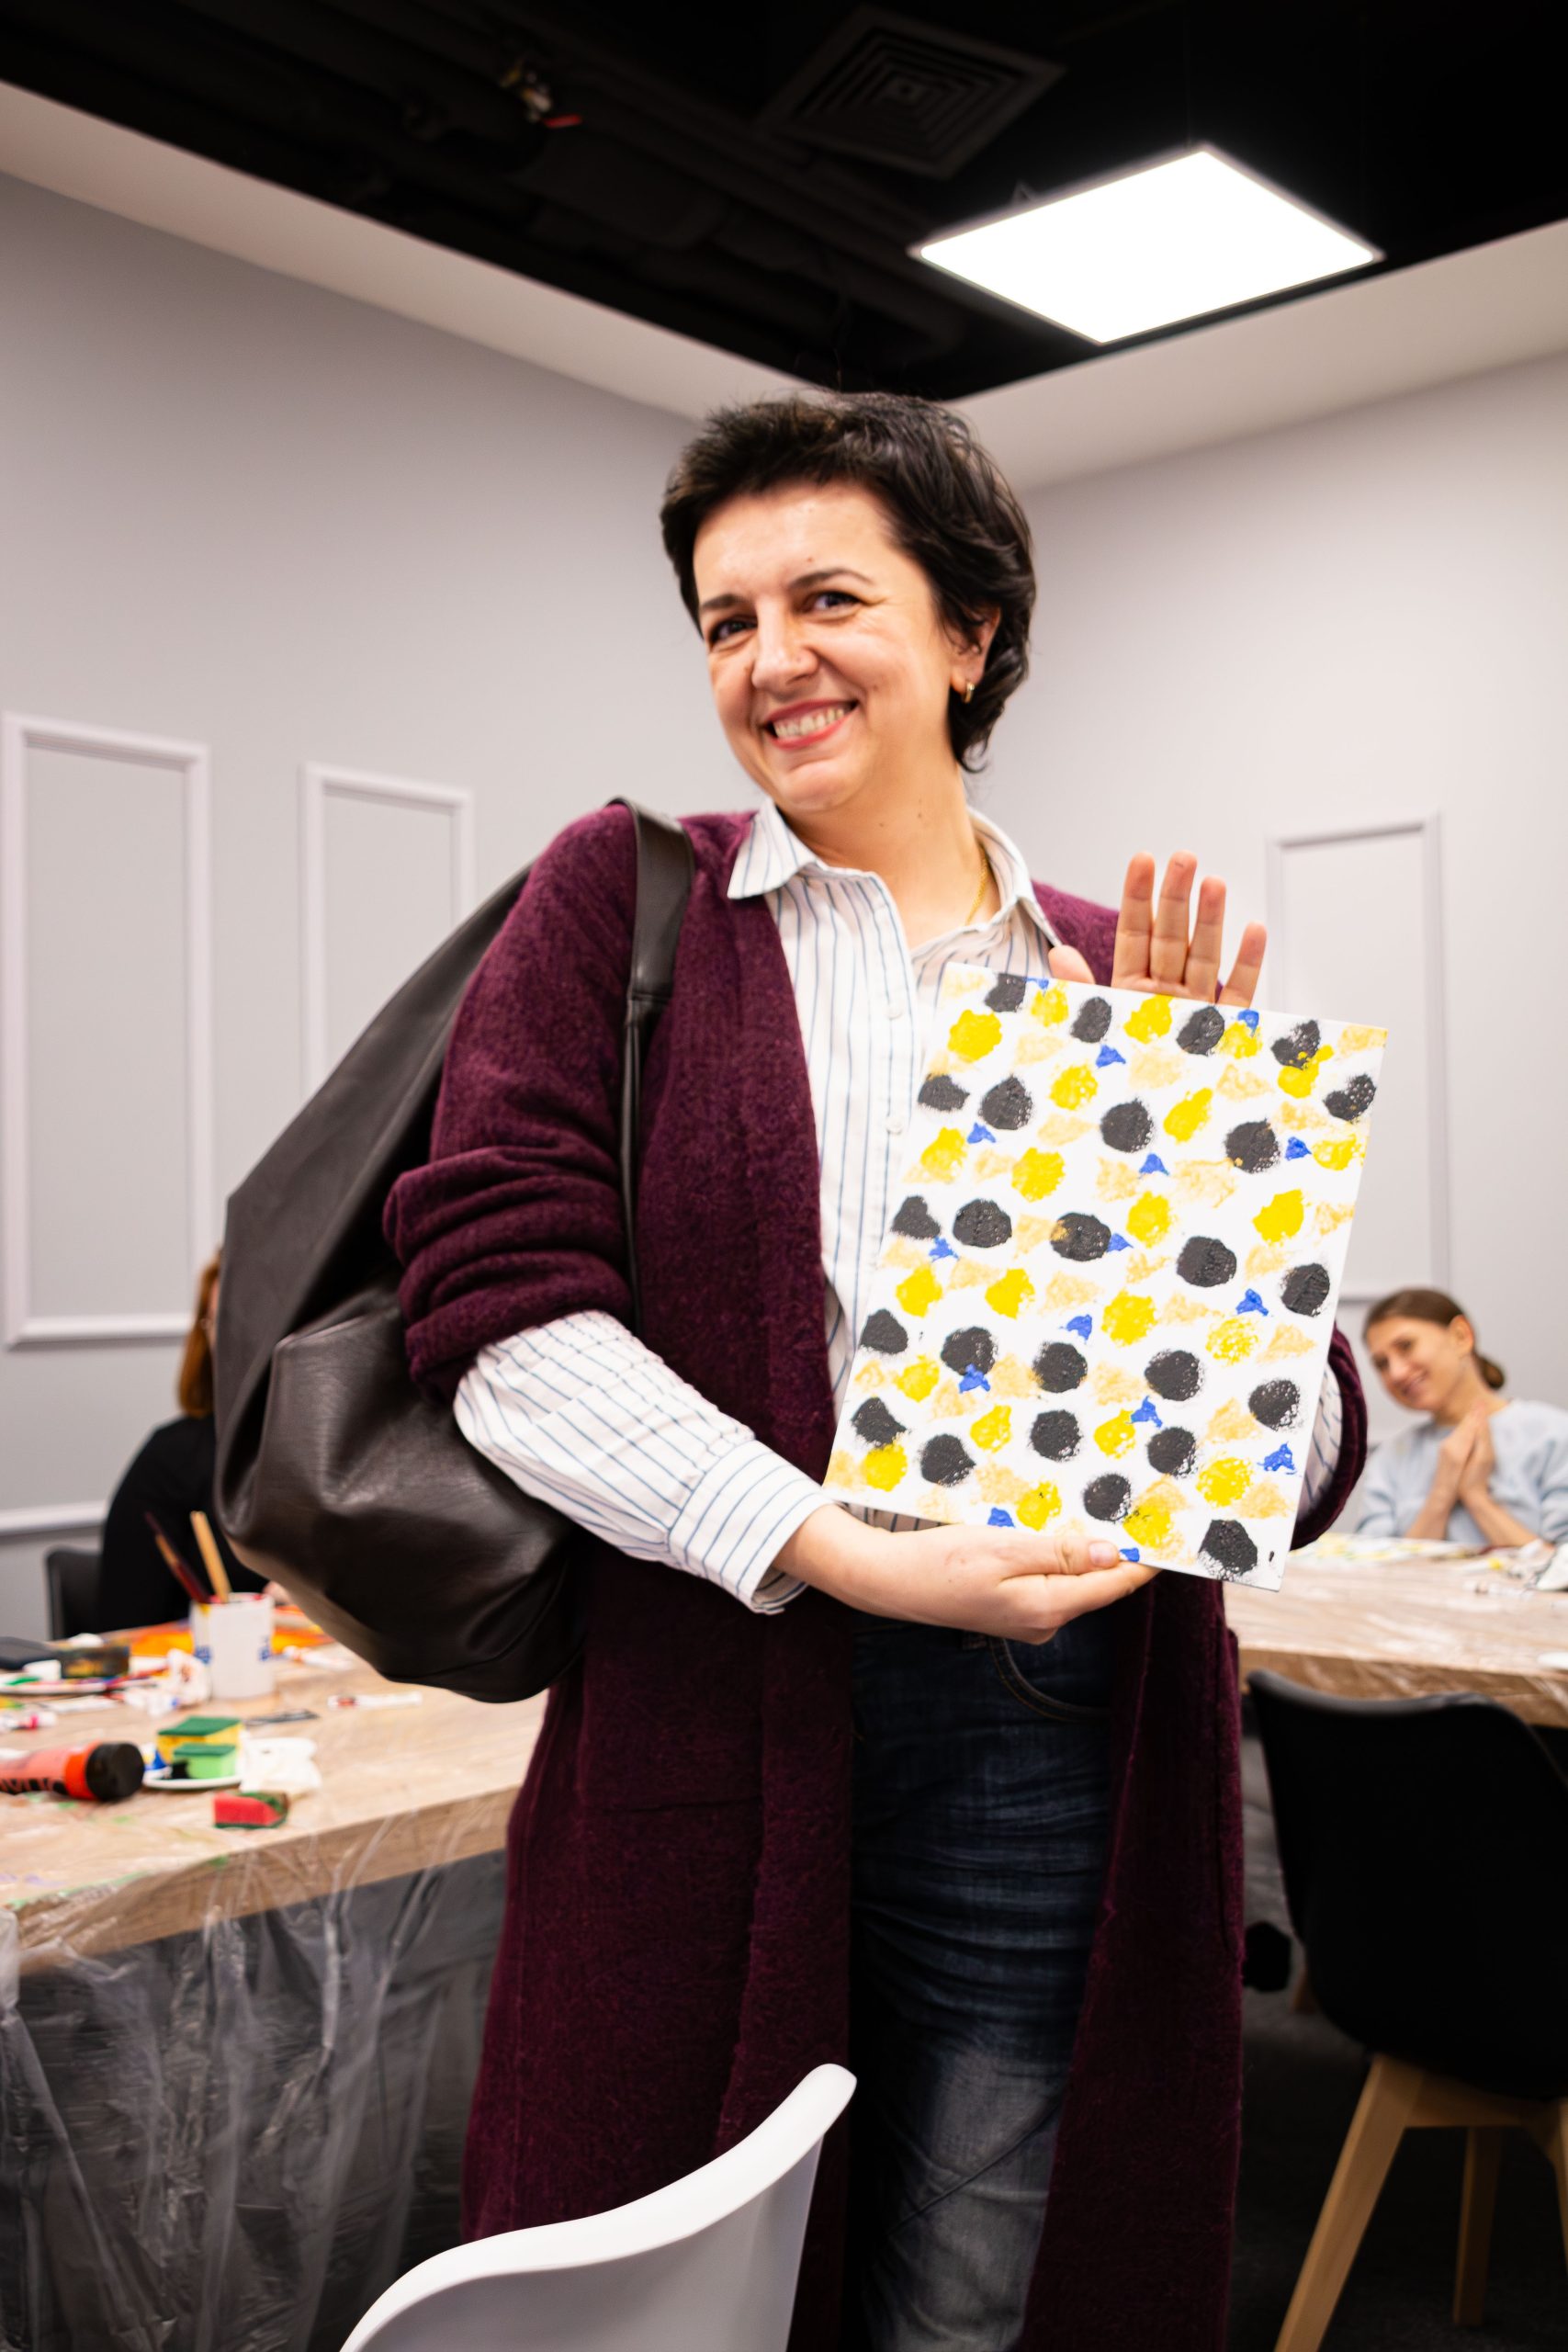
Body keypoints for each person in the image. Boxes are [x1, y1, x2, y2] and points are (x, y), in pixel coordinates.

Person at [387, 391, 1365, 2351]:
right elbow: (497, 1319)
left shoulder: (1109, 967)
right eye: (725, 619)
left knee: (971, 2293)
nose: (770, 659)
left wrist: (1188, 1159)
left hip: (1045, 1726)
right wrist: (838, 1550)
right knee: (666, 2283)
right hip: (709, 1697)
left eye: (826, 598)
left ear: (969, 633)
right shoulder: (628, 902)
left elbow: (1298, 1435)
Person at [99, 1250, 262, 1625]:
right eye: (222, 1322)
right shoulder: (171, 1459)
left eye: (257, 1319)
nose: (239, 1340)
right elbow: (126, 1629)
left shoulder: (339, 1461)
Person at [1359, 1286, 1568, 1547]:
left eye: (1406, 1346)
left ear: (1461, 1336)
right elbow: (1374, 1567)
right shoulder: (1390, 1458)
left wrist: (1477, 1496)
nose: (1396, 1373)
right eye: (1382, 1364)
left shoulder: (1555, 1436)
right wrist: (1442, 1492)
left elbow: (1559, 1566)